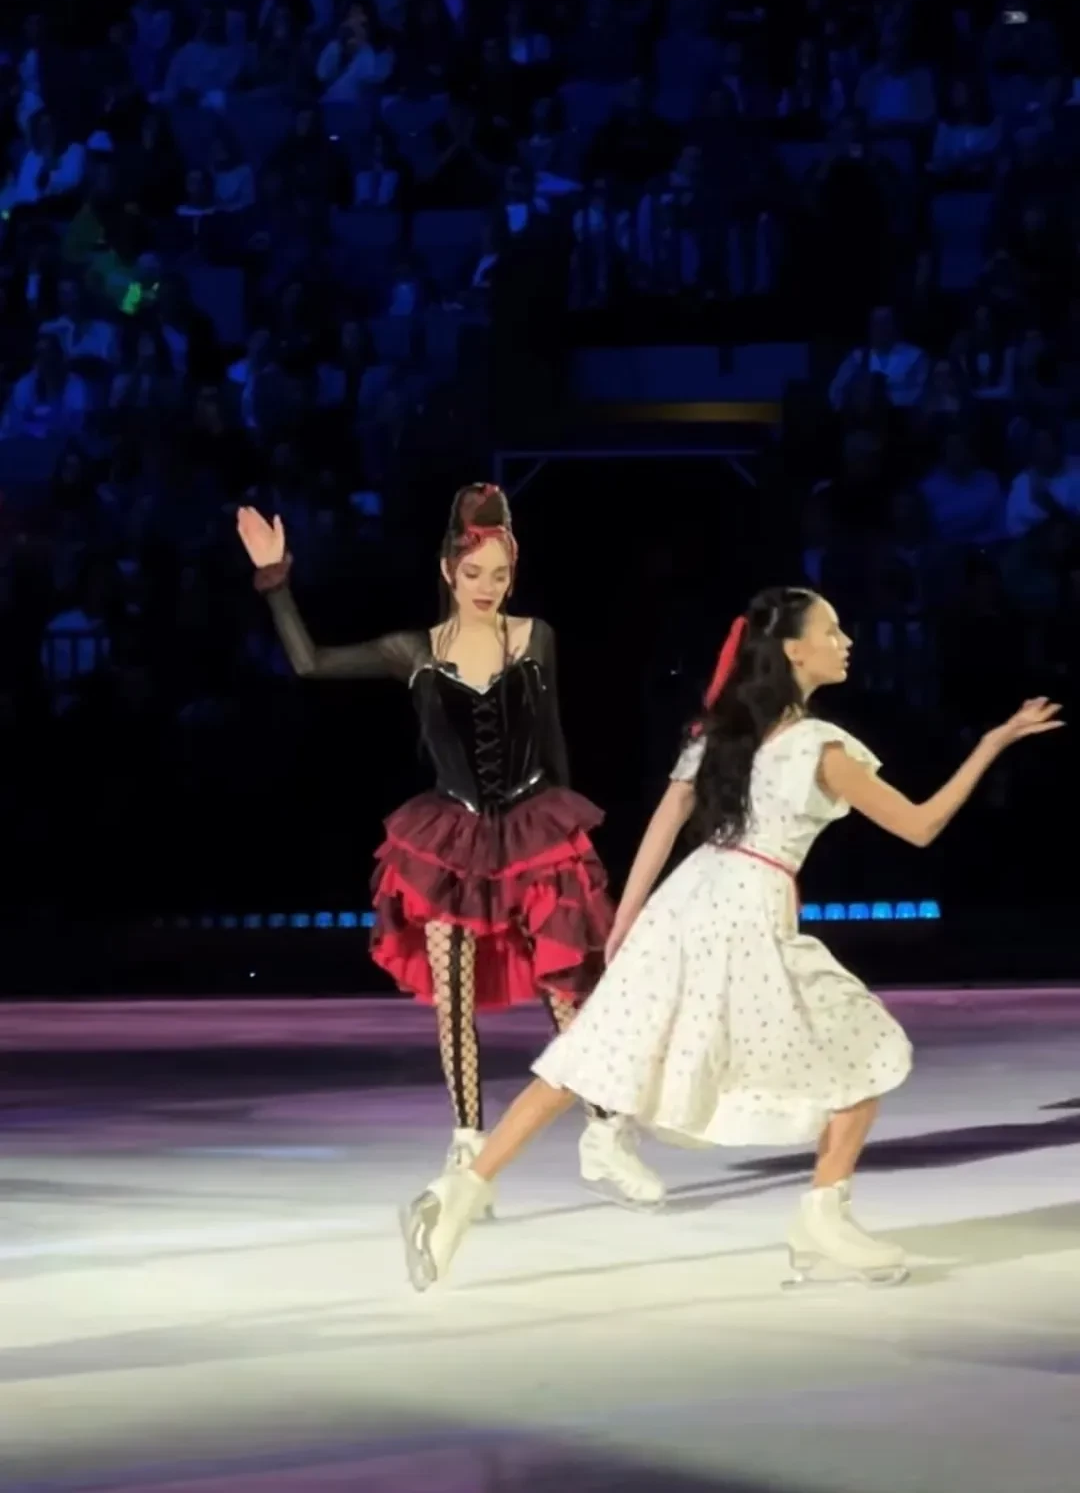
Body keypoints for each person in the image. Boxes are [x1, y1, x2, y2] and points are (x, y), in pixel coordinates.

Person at [399, 586, 1063, 1291]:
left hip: (685, 901)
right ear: (793, 650)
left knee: (586, 1059)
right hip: (747, 911)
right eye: (832, 631)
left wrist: (626, 924)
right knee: (863, 1049)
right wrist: (992, 743)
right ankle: (822, 1219)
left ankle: (455, 1197)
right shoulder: (819, 747)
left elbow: (663, 826)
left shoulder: (719, 733)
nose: (846, 642)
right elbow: (921, 826)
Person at [236, 484, 664, 1211]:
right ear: (447, 572)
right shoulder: (417, 651)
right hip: (451, 838)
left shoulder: (534, 638)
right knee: (453, 1001)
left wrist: (568, 841)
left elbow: (553, 737)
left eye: (500, 574)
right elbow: (310, 663)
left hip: (533, 826)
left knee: (567, 991)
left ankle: (604, 1134)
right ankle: (469, 1152)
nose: (487, 587)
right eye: (473, 574)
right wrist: (275, 580)